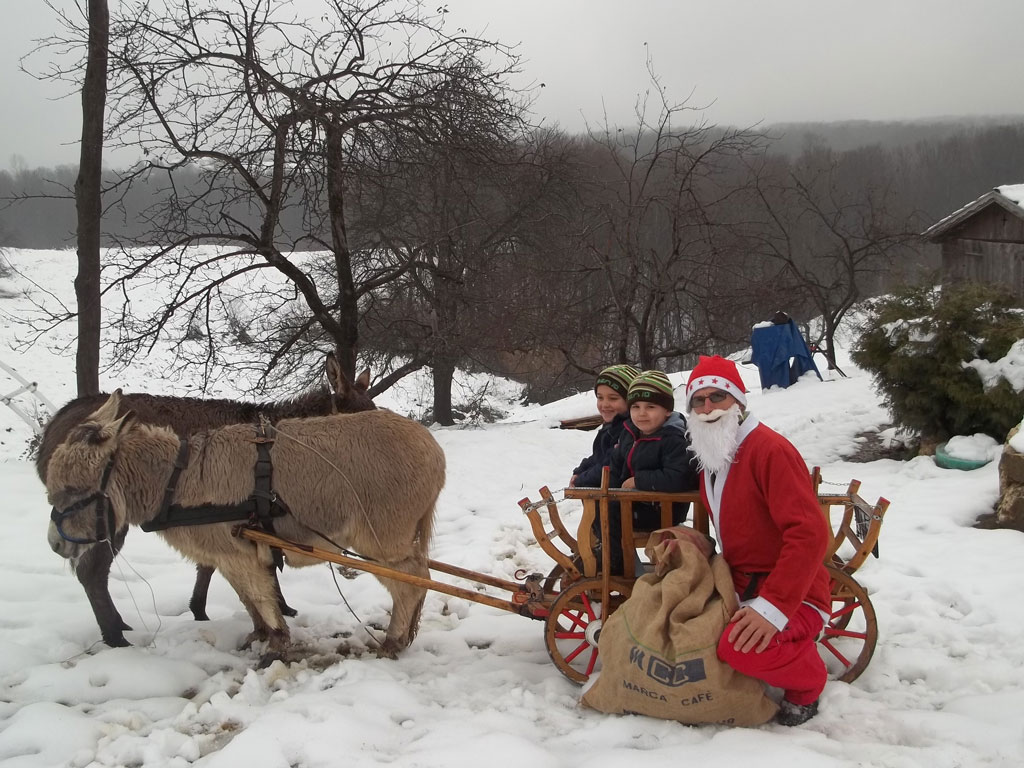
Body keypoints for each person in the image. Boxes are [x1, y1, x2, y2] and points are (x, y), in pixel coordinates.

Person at [683, 355, 831, 727]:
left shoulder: (769, 450)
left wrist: (774, 607)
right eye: (698, 401)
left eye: (718, 397)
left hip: (793, 592)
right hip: (741, 581)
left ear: (739, 401)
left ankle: (808, 682)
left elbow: (809, 533)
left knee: (738, 650)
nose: (707, 408)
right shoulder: (715, 452)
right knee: (683, 631)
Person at [601, 369, 699, 575]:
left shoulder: (673, 439)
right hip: (634, 502)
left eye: (650, 407)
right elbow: (618, 465)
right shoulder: (629, 433)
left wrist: (639, 481)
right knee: (600, 509)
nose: (641, 413)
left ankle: (623, 569)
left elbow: (678, 477)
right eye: (635, 407)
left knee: (610, 513)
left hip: (661, 509)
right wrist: (611, 488)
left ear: (667, 411)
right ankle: (611, 558)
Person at [569, 364, 639, 488]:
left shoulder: (631, 430)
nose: (604, 404)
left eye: (613, 398)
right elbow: (598, 457)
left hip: (625, 503)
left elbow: (607, 466)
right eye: (600, 398)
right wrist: (580, 470)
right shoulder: (612, 427)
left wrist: (581, 481)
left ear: (630, 400)